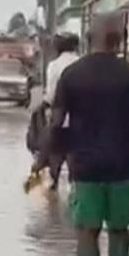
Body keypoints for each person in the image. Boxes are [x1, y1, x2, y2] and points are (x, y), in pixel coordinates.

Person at [38, 15, 129, 256]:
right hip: (123, 166)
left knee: (87, 231)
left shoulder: (72, 75)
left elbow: (57, 123)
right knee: (120, 229)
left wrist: (49, 159)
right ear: (120, 40)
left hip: (85, 166)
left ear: (89, 39)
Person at [33, 33, 81, 189]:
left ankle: (52, 186)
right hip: (81, 121)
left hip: (59, 120)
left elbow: (51, 95)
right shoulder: (83, 63)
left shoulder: (54, 65)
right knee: (75, 158)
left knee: (55, 154)